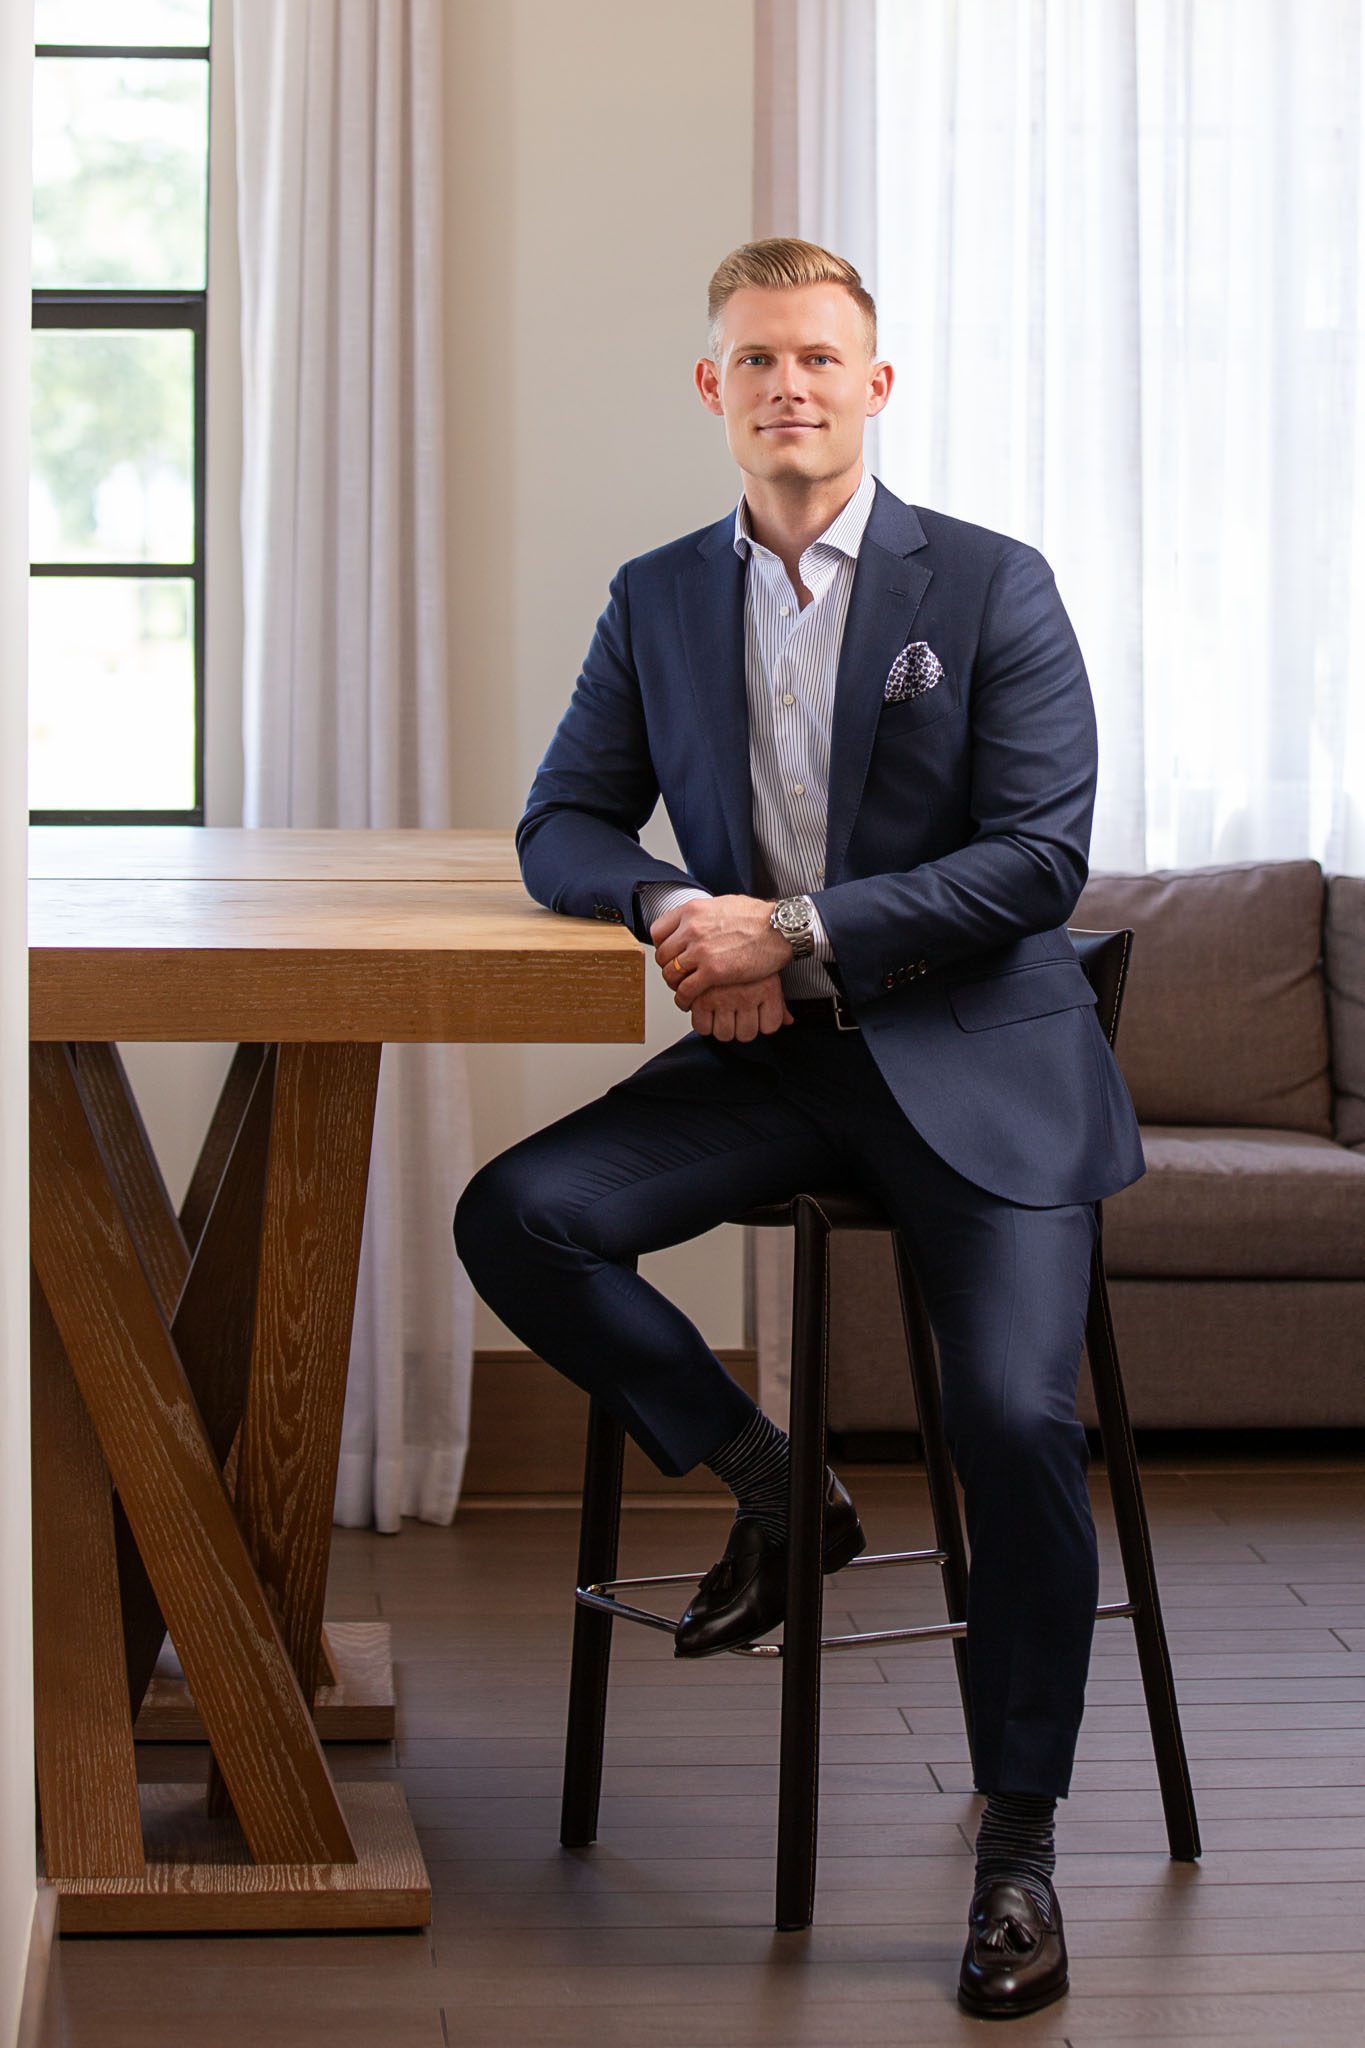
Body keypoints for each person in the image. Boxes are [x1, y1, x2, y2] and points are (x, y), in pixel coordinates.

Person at [454, 236, 1146, 2020]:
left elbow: (1037, 860)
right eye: (756, 359)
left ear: (873, 383)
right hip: (772, 1061)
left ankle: (1017, 1846)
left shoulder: (987, 583)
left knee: (1011, 1417)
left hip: (979, 1063)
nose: (789, 386)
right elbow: (558, 824)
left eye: (820, 358)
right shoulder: (655, 595)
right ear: (714, 388)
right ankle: (775, 1485)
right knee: (517, 1213)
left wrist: (798, 928)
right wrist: (677, 911)